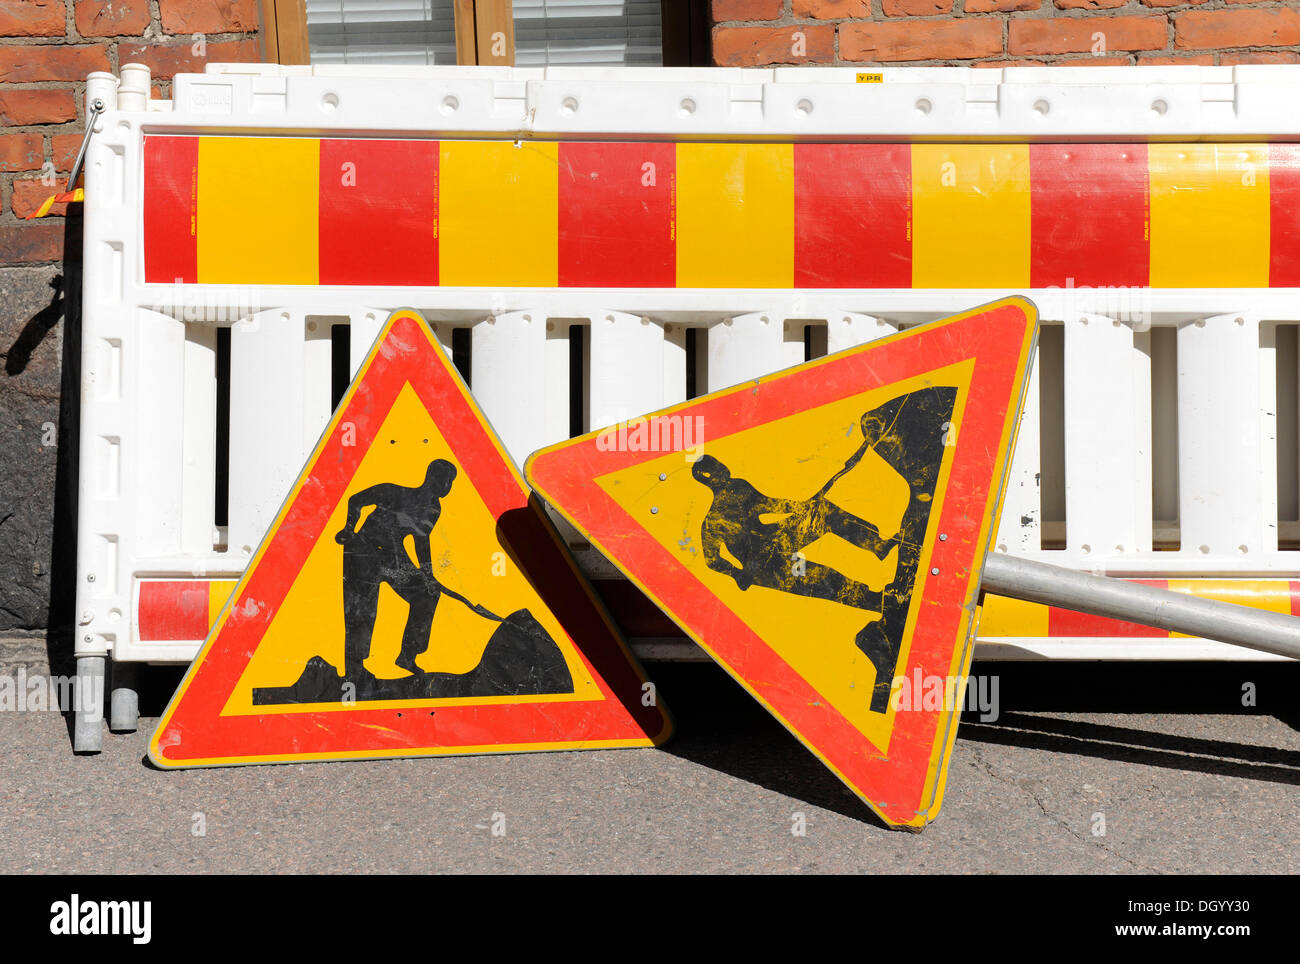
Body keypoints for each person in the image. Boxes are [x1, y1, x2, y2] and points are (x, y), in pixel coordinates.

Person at [692, 451, 894, 611]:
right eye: (715, 468)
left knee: (821, 511)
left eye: (718, 464)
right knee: (821, 578)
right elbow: (712, 560)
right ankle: (875, 601)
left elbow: (769, 504)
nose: (722, 469)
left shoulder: (739, 487)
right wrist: (737, 574)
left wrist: (799, 507)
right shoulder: (713, 521)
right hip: (764, 565)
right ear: (710, 479)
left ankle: (879, 546)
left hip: (777, 540)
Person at [334, 459, 457, 678]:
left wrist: (429, 577)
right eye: (445, 480)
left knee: (427, 595)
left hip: (393, 557)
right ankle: (355, 669)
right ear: (431, 477)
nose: (447, 486)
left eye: (451, 482)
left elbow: (421, 541)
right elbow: (356, 500)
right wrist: (349, 528)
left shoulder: (433, 508)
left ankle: (407, 656)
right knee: (361, 610)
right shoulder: (393, 492)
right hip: (363, 551)